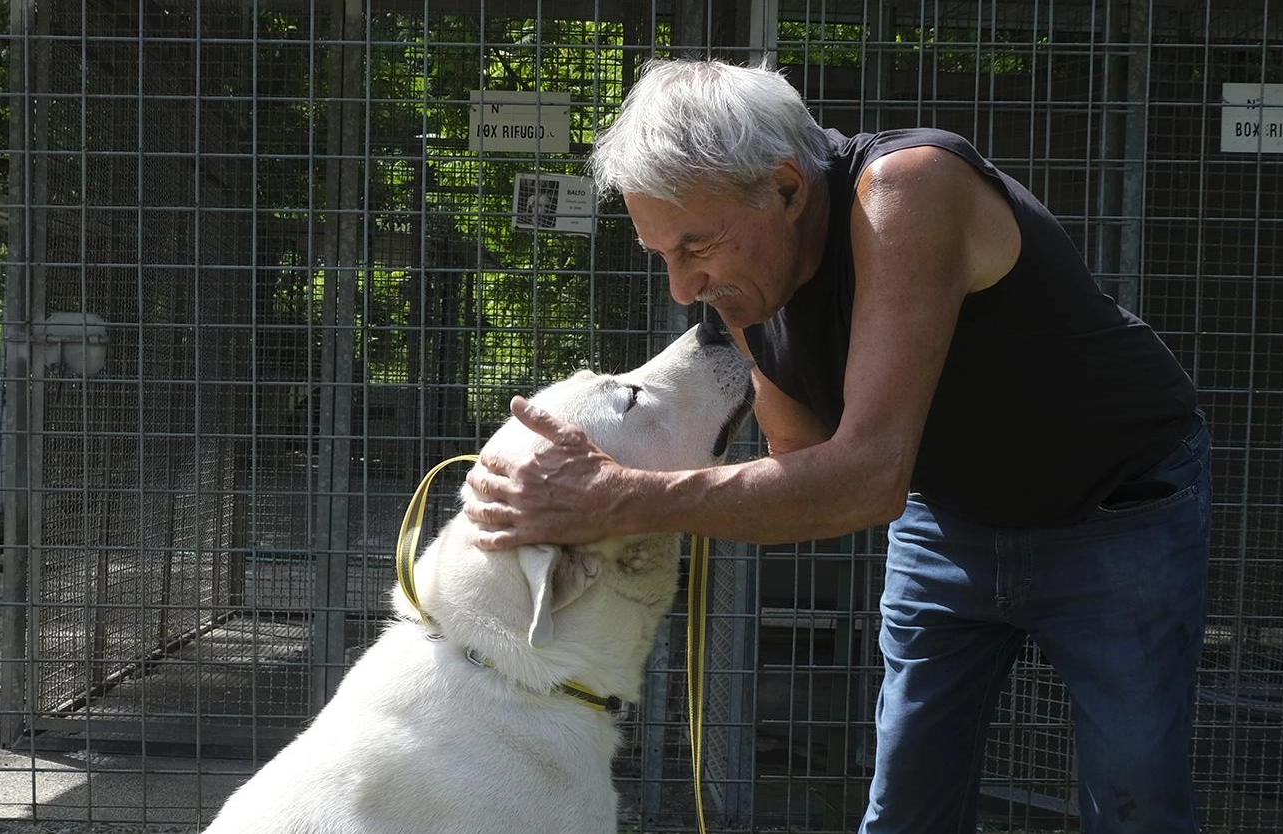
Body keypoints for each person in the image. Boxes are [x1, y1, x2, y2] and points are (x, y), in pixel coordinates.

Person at [462, 58, 1210, 833]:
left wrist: (616, 497)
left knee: (1135, 801)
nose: (683, 291)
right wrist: (596, 509)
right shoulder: (746, 282)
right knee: (902, 808)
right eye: (663, 256)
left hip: (1116, 510)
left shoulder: (908, 188)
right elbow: (800, 472)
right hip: (947, 517)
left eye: (697, 247)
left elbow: (860, 481)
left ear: (786, 189)